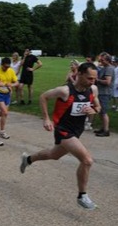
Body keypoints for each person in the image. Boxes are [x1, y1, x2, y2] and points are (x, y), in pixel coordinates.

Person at [20, 62, 101, 210]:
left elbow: (98, 105)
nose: (92, 82)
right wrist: (46, 118)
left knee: (53, 154)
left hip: (77, 131)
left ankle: (28, 159)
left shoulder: (92, 89)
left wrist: (94, 110)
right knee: (87, 161)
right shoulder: (65, 91)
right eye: (90, 78)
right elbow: (43, 97)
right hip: (63, 130)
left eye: (94, 79)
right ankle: (82, 195)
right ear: (80, 74)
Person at [0, 57, 19, 139]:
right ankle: (2, 132)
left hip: (7, 94)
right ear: (2, 65)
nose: (6, 68)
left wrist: (11, 85)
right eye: (5, 66)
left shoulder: (11, 71)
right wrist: (5, 84)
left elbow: (16, 82)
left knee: (2, 113)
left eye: (8, 66)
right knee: (5, 112)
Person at [94, 52, 115, 137]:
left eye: (102, 60)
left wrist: (97, 80)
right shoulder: (104, 67)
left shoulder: (109, 69)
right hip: (101, 92)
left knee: (103, 112)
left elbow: (108, 82)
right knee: (101, 111)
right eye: (100, 59)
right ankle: (103, 128)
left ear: (107, 60)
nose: (100, 61)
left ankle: (106, 130)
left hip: (105, 93)